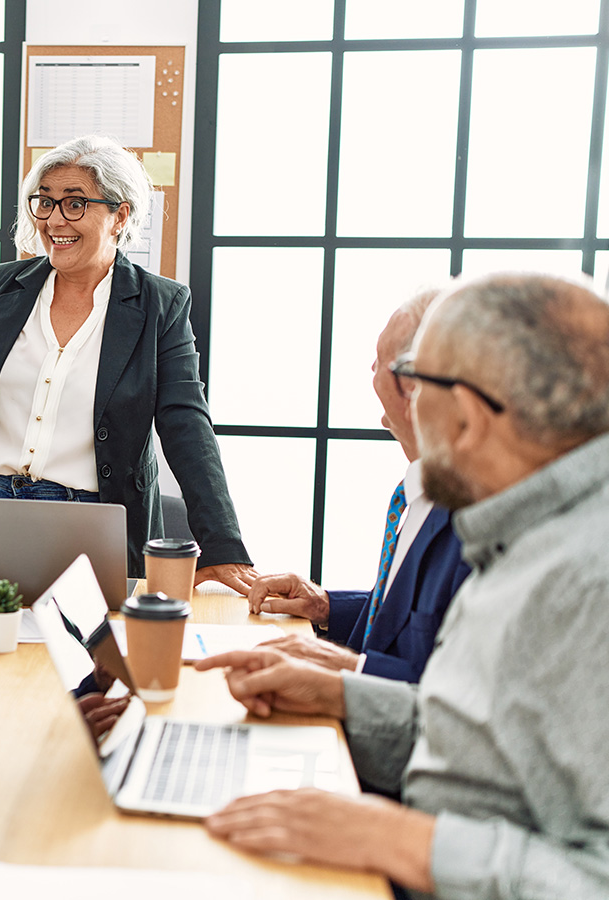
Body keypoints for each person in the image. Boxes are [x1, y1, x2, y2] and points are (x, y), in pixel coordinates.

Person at [197, 273, 609, 898]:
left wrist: (399, 841)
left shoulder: (586, 578)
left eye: (418, 383)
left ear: (467, 418)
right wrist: (345, 698)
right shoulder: (516, 529)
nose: (400, 405)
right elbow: (488, 746)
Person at [0, 135, 254, 592]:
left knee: (86, 653)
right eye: (45, 203)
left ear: (120, 215)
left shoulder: (160, 305)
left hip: (88, 517)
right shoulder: (2, 285)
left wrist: (223, 548)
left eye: (75, 204)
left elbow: (187, 426)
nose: (54, 220)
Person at [247, 290, 470, 682]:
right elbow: (403, 618)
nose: (371, 368)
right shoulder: (416, 494)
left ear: (411, 385)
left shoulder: (473, 519)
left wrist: (346, 667)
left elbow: (455, 691)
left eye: (379, 363)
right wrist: (325, 606)